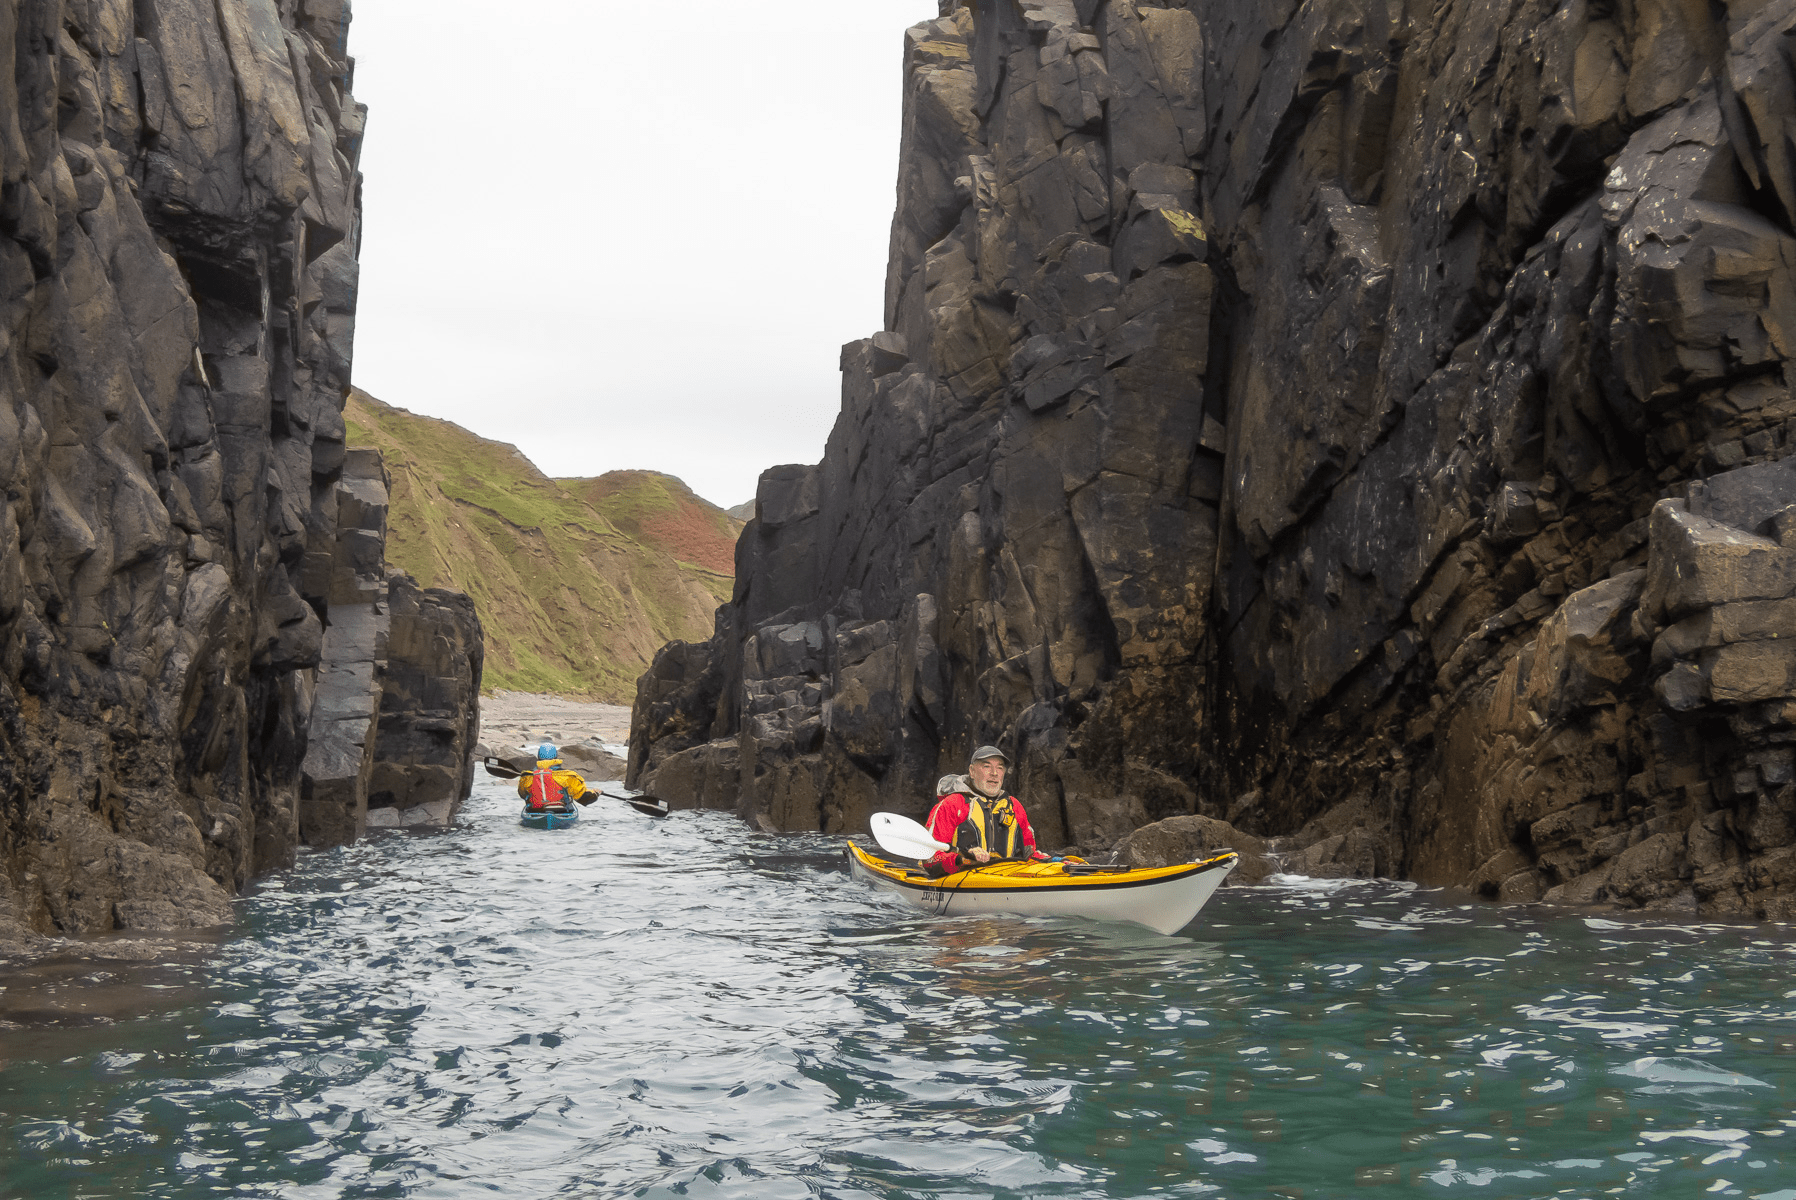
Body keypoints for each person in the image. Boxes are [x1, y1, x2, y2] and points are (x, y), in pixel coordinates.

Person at [921, 745, 1058, 877]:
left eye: (1000, 768)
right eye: (987, 766)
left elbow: (1029, 853)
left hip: (1007, 876)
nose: (994, 773)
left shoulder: (1014, 806)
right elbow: (929, 859)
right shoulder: (952, 804)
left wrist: (1054, 861)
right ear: (972, 771)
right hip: (962, 877)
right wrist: (963, 859)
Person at [518, 743, 588, 812]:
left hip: (534, 809)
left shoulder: (527, 776)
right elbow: (578, 793)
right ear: (556, 756)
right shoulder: (567, 775)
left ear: (538, 757)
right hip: (561, 808)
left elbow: (522, 794)